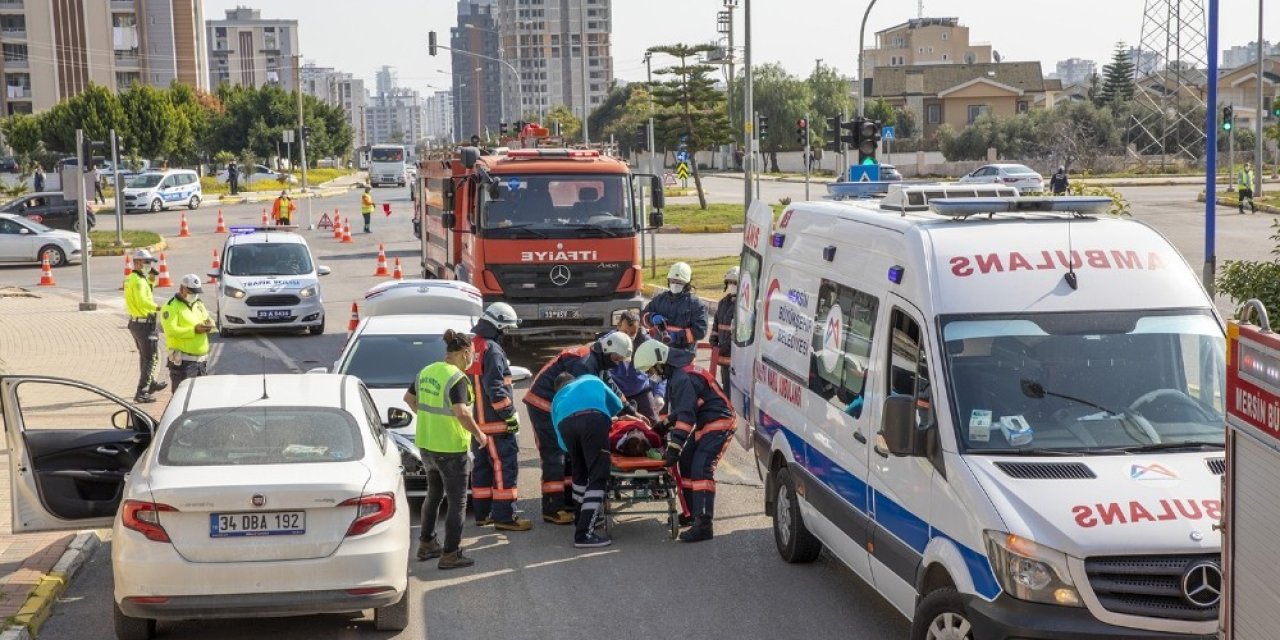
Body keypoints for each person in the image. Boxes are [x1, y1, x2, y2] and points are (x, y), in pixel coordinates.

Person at [635, 340, 735, 543]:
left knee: (701, 469)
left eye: (652, 370)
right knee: (687, 462)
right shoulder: (680, 373)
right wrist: (665, 424)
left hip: (718, 424)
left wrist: (674, 448)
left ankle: (704, 524)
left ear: (660, 362)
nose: (653, 374)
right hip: (707, 423)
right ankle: (692, 512)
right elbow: (686, 408)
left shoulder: (682, 377)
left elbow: (687, 416)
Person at [403, 329, 488, 570]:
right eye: (471, 354)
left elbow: (408, 399)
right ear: (464, 353)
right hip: (450, 448)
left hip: (427, 445)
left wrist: (428, 418)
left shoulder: (427, 371)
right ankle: (450, 554)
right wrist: (479, 434)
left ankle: (427, 543)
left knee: (434, 494)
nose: (472, 358)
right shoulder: (457, 378)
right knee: (457, 501)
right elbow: (461, 412)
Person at [468, 302, 531, 531]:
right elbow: (496, 387)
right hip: (496, 424)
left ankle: (483, 514)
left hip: (476, 423)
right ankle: (505, 518)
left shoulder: (473, 345)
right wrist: (509, 415)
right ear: (497, 325)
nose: (506, 334)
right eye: (505, 329)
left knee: (482, 469)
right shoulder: (492, 349)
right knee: (505, 469)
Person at [551, 372, 625, 548]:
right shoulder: (590, 379)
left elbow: (560, 439)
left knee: (580, 474)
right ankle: (584, 534)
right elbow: (617, 404)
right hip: (594, 419)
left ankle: (581, 519)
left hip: (566, 425)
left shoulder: (557, 399)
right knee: (598, 476)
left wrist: (577, 452)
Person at [600, 311, 662, 425]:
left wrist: (659, 394)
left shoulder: (647, 344)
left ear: (639, 329)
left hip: (641, 391)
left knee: (655, 425)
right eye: (624, 332)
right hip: (616, 393)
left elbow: (657, 372)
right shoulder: (606, 342)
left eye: (632, 332)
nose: (628, 336)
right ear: (618, 326)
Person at [124, 249, 166, 403]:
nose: (149, 265)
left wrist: (152, 278)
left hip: (135, 323)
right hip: (144, 324)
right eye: (147, 262)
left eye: (150, 262)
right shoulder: (139, 281)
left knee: (145, 356)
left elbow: (145, 292)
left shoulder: (132, 278)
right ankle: (141, 392)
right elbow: (143, 301)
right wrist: (159, 307)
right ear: (138, 263)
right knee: (151, 358)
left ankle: (150, 383)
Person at [641, 262, 707, 359]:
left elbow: (700, 331)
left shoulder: (696, 305)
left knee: (679, 375)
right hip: (658, 351)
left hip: (683, 354)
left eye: (679, 282)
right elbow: (643, 317)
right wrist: (652, 317)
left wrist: (676, 337)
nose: (675, 284)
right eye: (673, 281)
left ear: (687, 283)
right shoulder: (660, 300)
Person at [160, 274, 215, 390]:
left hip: (201, 362)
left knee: (200, 398)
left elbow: (207, 318)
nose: (194, 295)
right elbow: (171, 331)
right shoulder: (171, 306)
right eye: (191, 292)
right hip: (184, 363)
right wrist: (194, 330)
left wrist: (209, 325)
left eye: (196, 292)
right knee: (183, 399)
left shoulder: (198, 304)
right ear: (182, 289)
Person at [710, 267, 739, 391]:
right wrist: (713, 342)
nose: (732, 285)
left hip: (736, 356)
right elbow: (716, 325)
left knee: (735, 390)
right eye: (730, 282)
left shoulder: (743, 304)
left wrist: (725, 347)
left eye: (735, 283)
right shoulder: (723, 303)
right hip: (723, 357)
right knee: (726, 388)